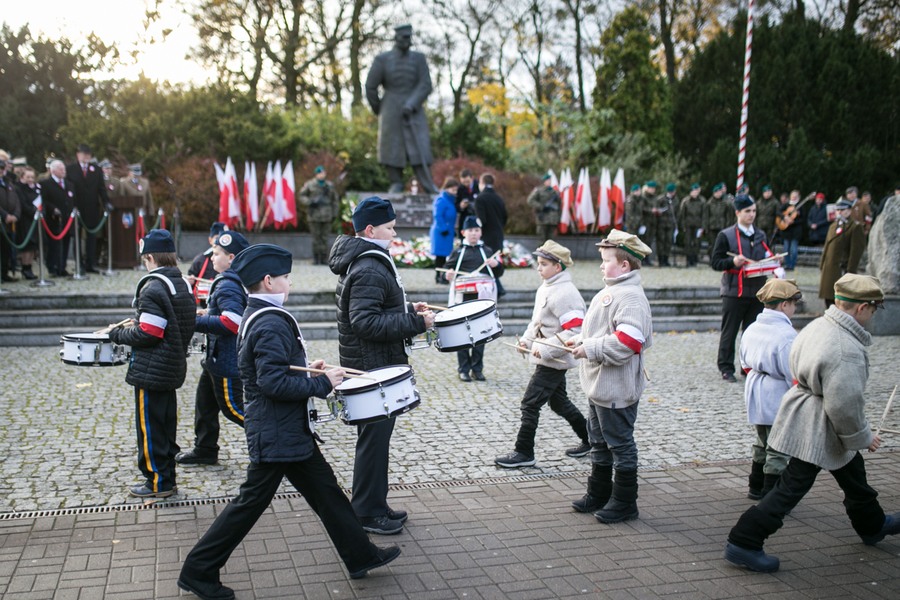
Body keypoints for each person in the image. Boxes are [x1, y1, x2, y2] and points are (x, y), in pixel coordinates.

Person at [178, 244, 400, 600]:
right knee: (248, 506)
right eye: (285, 277)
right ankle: (198, 571)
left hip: (287, 430)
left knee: (327, 493)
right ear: (268, 281)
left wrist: (312, 372)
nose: (290, 283)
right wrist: (322, 384)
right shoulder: (268, 322)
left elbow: (277, 371)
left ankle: (361, 555)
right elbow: (272, 383)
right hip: (277, 431)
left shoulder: (260, 313)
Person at [725, 274, 900, 573]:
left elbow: (796, 363)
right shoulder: (845, 346)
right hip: (819, 424)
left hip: (813, 414)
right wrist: (863, 436)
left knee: (853, 474)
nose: (874, 313)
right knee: (791, 487)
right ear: (861, 309)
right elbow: (844, 405)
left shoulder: (821, 324)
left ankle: (872, 524)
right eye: (874, 307)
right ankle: (744, 540)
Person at [329, 196, 435, 535]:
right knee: (373, 441)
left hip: (374, 364)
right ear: (371, 229)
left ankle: (375, 503)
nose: (394, 232)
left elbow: (376, 308)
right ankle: (366, 511)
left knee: (376, 439)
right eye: (389, 228)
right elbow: (365, 322)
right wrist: (418, 324)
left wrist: (406, 309)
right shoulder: (369, 266)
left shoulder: (367, 261)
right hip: (372, 366)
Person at [567, 229, 653, 523]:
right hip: (599, 385)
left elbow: (628, 343)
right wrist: (580, 340)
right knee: (599, 441)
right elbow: (601, 331)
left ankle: (625, 501)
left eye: (606, 260)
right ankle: (600, 492)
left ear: (625, 265)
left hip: (616, 387)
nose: (601, 266)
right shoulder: (613, 290)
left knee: (619, 443)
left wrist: (588, 347)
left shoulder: (630, 297)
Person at [107, 229, 195, 498]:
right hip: (172, 365)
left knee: (150, 428)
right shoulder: (180, 283)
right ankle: (167, 477)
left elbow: (149, 333)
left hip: (151, 369)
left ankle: (157, 481)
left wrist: (117, 333)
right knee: (166, 425)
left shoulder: (152, 287)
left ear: (149, 257)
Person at [494, 239, 589, 468]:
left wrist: (544, 348)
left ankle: (524, 452)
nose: (539, 268)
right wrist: (526, 341)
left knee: (529, 403)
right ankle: (593, 440)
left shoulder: (566, 293)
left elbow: (576, 330)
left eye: (544, 264)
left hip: (554, 359)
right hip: (548, 357)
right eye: (538, 263)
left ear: (558, 267)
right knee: (559, 403)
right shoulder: (546, 286)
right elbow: (537, 322)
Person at [176, 231, 250, 467]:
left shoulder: (228, 284)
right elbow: (223, 315)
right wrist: (207, 315)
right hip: (215, 359)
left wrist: (194, 320)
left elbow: (232, 322)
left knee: (234, 409)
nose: (212, 257)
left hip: (226, 361)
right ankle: (205, 449)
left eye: (216, 253)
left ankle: (274, 438)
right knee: (205, 405)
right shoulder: (230, 280)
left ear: (231, 258)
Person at [738, 278, 800, 500]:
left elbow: (744, 363)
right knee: (778, 446)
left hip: (755, 389)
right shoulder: (787, 335)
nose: (794, 309)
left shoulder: (752, 328)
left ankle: (756, 485)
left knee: (762, 441)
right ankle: (771, 495)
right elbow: (794, 373)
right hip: (776, 394)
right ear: (784, 304)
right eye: (794, 303)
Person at [365, 24, 437, 194]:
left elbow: (425, 84)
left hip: (415, 109)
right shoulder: (382, 59)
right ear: (396, 38)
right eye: (404, 37)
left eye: (409, 37)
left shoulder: (419, 59)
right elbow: (370, 86)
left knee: (420, 144)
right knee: (392, 147)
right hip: (390, 107)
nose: (408, 41)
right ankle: (395, 182)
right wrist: (380, 109)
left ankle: (426, 183)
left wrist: (412, 104)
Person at [710, 194, 774, 383]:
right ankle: (726, 367)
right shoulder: (726, 235)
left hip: (757, 290)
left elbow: (766, 254)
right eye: (747, 211)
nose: (751, 215)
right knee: (730, 331)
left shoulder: (761, 234)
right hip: (734, 291)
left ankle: (749, 366)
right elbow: (715, 262)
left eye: (754, 211)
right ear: (737, 212)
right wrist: (733, 261)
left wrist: (773, 260)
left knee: (753, 332)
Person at [443, 215, 503, 382]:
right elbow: (444, 273)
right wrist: (448, 275)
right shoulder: (458, 252)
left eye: (477, 230)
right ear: (463, 232)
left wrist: (496, 265)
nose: (474, 234)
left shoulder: (488, 251)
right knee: (462, 334)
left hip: (482, 298)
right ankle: (463, 369)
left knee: (481, 333)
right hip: (462, 298)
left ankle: (477, 369)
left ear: (481, 232)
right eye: (470, 231)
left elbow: (498, 274)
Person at [66, 144, 110, 273]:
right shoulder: (71, 169)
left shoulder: (96, 169)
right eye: (83, 154)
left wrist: (106, 202)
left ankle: (91, 263)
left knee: (92, 237)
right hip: (76, 208)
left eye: (88, 155)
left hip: (92, 208)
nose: (86, 157)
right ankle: (79, 264)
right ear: (78, 155)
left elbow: (101, 188)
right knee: (77, 237)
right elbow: (68, 188)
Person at [818, 198, 865, 308]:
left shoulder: (855, 227)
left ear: (849, 211)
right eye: (837, 210)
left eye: (842, 210)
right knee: (828, 297)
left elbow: (856, 251)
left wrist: (850, 270)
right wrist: (822, 264)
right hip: (829, 267)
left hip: (841, 267)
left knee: (839, 299)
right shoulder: (833, 226)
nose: (839, 212)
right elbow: (827, 247)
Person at [39, 159, 75, 277]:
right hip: (53, 220)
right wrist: (52, 209)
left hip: (67, 220)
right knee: (54, 245)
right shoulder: (46, 184)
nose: (63, 171)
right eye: (60, 169)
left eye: (64, 168)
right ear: (53, 170)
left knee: (65, 243)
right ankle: (52, 266)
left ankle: (62, 266)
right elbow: (44, 200)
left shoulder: (69, 184)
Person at [298, 165, 340, 265]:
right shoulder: (309, 184)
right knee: (316, 238)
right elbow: (301, 196)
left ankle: (324, 258)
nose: (322, 175)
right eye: (320, 173)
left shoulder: (329, 185)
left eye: (323, 173)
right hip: (314, 215)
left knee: (324, 238)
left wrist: (334, 213)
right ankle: (316, 258)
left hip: (326, 214)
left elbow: (335, 200)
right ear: (316, 174)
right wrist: (310, 202)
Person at [474, 173, 508, 297]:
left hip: (486, 236)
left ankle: (498, 289)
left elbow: (481, 220)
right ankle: (497, 289)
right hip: (498, 234)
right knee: (493, 262)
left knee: (487, 262)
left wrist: (475, 232)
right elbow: (505, 217)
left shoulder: (480, 198)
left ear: (481, 183)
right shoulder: (499, 198)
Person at [187, 222, 227, 306]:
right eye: (217, 238)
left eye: (223, 239)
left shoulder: (233, 260)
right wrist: (189, 282)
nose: (220, 242)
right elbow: (190, 280)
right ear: (210, 240)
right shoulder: (201, 259)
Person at [429, 176, 459, 284]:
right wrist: (443, 228)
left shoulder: (450, 200)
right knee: (440, 256)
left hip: (447, 231)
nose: (455, 192)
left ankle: (443, 276)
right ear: (447, 188)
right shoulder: (441, 199)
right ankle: (439, 277)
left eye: (456, 190)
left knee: (445, 255)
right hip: (440, 232)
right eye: (453, 190)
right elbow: (437, 215)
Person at [13, 166, 40, 280]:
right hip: (25, 220)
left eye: (32, 177)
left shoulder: (35, 188)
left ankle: (29, 266)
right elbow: (23, 204)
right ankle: (25, 268)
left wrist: (39, 211)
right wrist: (33, 211)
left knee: (33, 246)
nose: (30, 179)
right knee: (27, 246)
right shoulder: (18, 188)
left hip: (34, 220)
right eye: (28, 177)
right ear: (22, 177)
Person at [776, 190, 809, 270]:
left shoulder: (801, 207)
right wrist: (785, 218)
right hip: (786, 231)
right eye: (792, 196)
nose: (794, 197)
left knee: (793, 250)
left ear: (798, 197)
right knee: (786, 249)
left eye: (795, 196)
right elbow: (778, 212)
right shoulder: (786, 205)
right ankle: (787, 264)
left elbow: (803, 220)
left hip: (796, 231)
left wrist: (793, 222)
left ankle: (792, 265)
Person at [0, 158, 20, 281]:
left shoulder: (9, 182)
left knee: (6, 249)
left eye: (2, 168)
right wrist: (5, 215)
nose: (1, 171)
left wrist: (16, 215)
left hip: (9, 223)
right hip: (2, 220)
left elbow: (17, 200)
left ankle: (4, 273)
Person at [527, 174, 561, 242]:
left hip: (552, 220)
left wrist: (558, 217)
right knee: (541, 241)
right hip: (542, 219)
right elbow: (530, 200)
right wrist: (541, 206)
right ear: (544, 181)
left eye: (550, 180)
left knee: (551, 242)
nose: (549, 182)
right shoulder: (539, 191)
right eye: (547, 180)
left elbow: (559, 205)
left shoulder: (554, 192)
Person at [678, 183, 705, 267]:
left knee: (697, 242)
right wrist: (682, 226)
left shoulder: (702, 201)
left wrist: (703, 227)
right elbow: (682, 214)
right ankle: (688, 260)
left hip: (698, 225)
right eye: (693, 191)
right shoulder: (685, 201)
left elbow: (704, 215)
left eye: (696, 191)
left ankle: (695, 260)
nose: (695, 193)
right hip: (688, 225)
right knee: (688, 242)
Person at [704, 183, 733, 260]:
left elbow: (728, 216)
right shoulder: (709, 203)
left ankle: (721, 259)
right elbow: (706, 216)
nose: (718, 194)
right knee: (712, 244)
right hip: (712, 226)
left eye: (720, 192)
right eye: (717, 192)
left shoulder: (726, 203)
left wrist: (728, 226)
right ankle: (712, 259)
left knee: (722, 244)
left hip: (722, 226)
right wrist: (706, 227)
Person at [652, 183, 678, 266]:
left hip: (671, 224)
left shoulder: (675, 200)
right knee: (661, 242)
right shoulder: (660, 199)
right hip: (661, 224)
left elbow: (677, 212)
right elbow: (655, 210)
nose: (673, 193)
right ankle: (661, 259)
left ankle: (666, 259)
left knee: (668, 242)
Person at [639, 181, 660, 265]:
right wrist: (650, 210)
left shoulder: (655, 198)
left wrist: (657, 210)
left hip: (653, 222)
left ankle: (647, 259)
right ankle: (642, 259)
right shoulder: (643, 197)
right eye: (651, 188)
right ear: (647, 188)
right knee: (644, 241)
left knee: (650, 241)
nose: (653, 190)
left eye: (654, 188)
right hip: (645, 222)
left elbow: (656, 206)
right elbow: (641, 208)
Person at [455, 169, 479, 238]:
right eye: (463, 182)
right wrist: (461, 206)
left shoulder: (479, 186)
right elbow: (456, 205)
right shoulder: (460, 189)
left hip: (477, 218)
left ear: (472, 178)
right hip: (465, 219)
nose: (466, 184)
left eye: (467, 182)